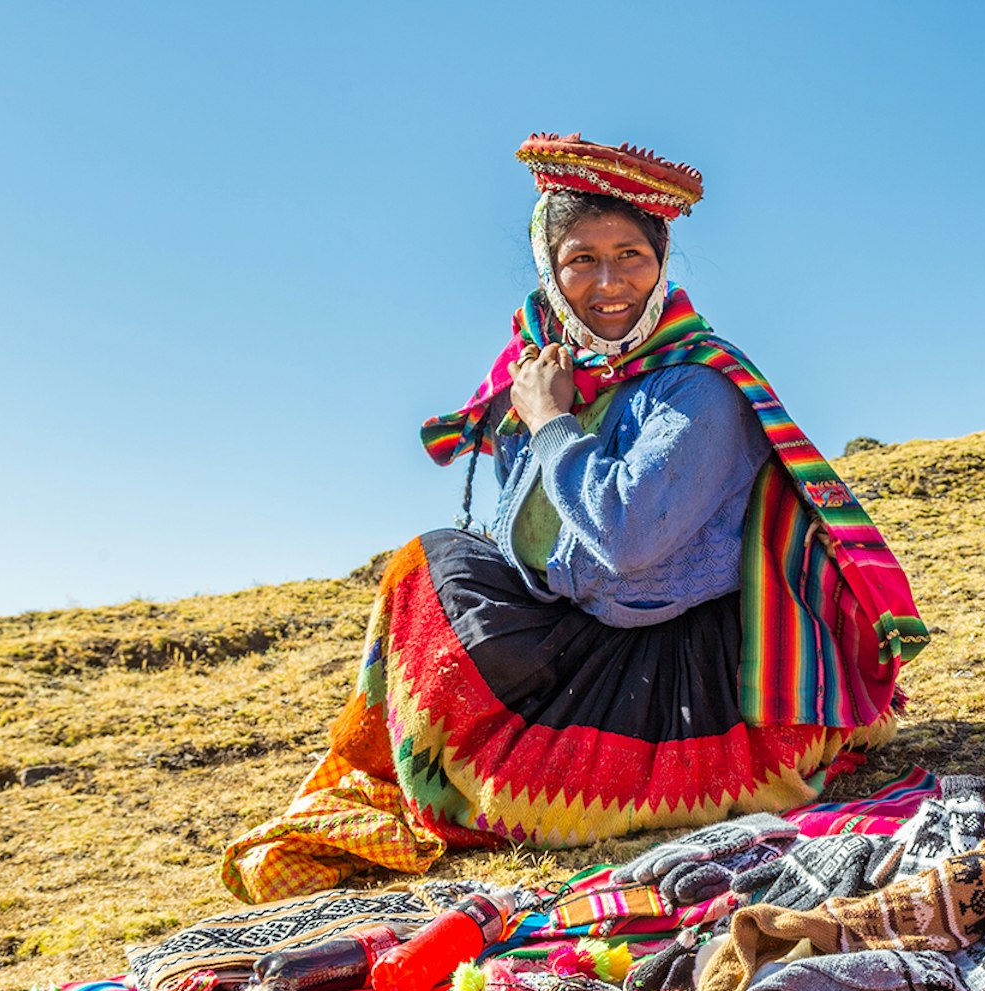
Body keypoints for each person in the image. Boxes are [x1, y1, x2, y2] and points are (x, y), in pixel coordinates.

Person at [222, 134, 927, 904]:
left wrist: (550, 422)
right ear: (550, 274)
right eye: (580, 260)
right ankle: (417, 761)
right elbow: (529, 531)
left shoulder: (701, 388)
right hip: (580, 626)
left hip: (681, 666)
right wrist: (537, 416)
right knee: (430, 565)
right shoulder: (555, 370)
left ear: (662, 262)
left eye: (631, 254)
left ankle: (485, 771)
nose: (609, 282)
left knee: (445, 589)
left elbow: (625, 540)